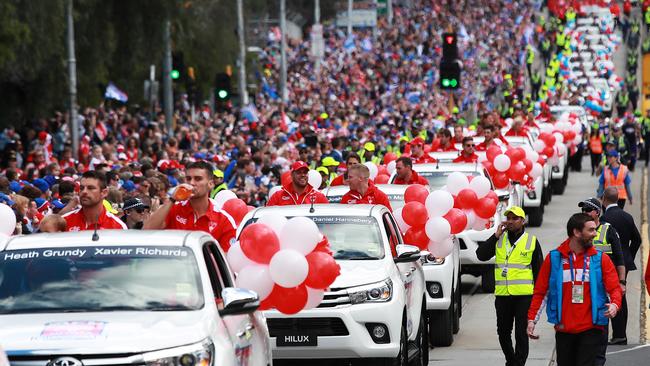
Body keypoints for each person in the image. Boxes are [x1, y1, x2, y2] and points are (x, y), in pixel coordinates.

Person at [527, 213, 622, 366]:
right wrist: (532, 320)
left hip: (592, 328)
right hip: (564, 329)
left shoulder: (601, 259)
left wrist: (615, 305)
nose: (595, 234)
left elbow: (614, 288)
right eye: (590, 230)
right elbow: (541, 292)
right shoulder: (554, 258)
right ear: (577, 232)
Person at [476, 206, 543, 366]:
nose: (511, 221)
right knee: (503, 332)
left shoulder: (531, 241)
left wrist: (538, 297)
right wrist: (494, 236)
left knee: (521, 333)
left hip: (524, 296)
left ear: (523, 221)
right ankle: (511, 360)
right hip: (503, 295)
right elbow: (481, 255)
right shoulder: (499, 239)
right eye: (509, 218)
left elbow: (539, 271)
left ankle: (518, 363)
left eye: (515, 218)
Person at [144, 161, 237, 251]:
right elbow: (145, 232)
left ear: (211, 184)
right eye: (188, 179)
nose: (191, 183)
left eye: (198, 179)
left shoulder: (224, 220)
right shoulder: (173, 208)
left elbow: (225, 260)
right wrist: (172, 199)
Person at [578, 198, 626, 365]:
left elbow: (620, 259)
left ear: (596, 212)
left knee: (602, 323)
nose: (584, 213)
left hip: (605, 284)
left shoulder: (608, 230)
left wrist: (622, 282)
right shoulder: (578, 231)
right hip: (584, 286)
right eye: (582, 210)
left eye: (587, 210)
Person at [600, 187, 642, 345]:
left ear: (604, 199)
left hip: (610, 263)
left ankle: (618, 335)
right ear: (618, 198)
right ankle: (621, 333)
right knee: (620, 297)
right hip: (624, 262)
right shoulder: (627, 217)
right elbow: (637, 239)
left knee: (611, 296)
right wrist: (628, 256)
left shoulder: (605, 219)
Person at [62, 171, 127, 231]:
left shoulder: (118, 227)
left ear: (104, 193)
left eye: (90, 188)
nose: (84, 191)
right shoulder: (64, 221)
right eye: (81, 188)